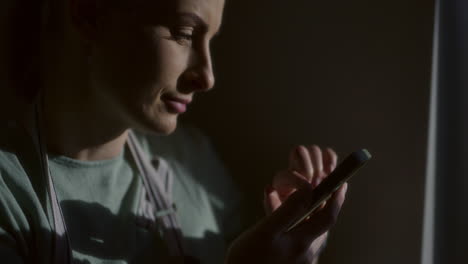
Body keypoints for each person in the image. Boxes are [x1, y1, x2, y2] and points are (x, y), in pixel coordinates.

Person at [0, 0, 348, 263]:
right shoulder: (9, 191)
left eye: (209, 39)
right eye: (184, 34)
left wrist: (292, 237)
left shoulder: (192, 161)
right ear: (89, 13)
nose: (207, 77)